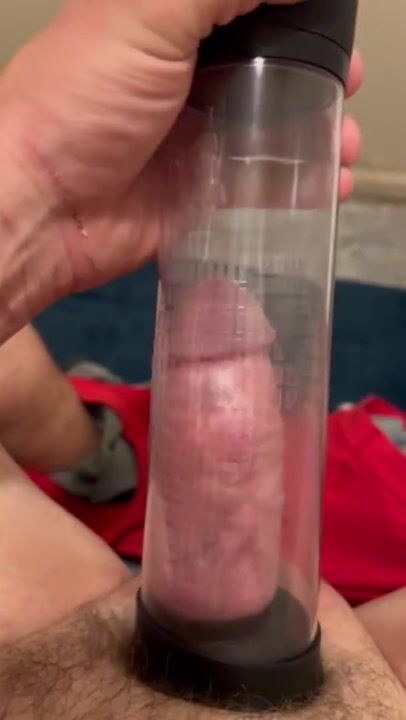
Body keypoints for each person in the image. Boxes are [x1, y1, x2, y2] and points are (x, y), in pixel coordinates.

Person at [1, 0, 404, 717]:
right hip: (338, 520)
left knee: (34, 394)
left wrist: (27, 186)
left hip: (101, 594)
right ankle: (98, 454)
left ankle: (96, 457)